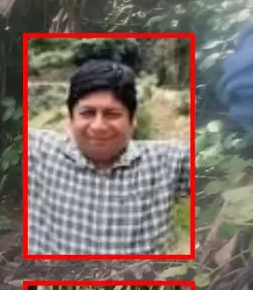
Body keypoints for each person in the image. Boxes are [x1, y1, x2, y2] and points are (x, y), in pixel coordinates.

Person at [26, 41, 190, 256]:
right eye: (87, 113)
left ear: (133, 121)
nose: (99, 126)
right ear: (70, 119)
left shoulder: (169, 162)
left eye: (112, 114)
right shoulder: (38, 154)